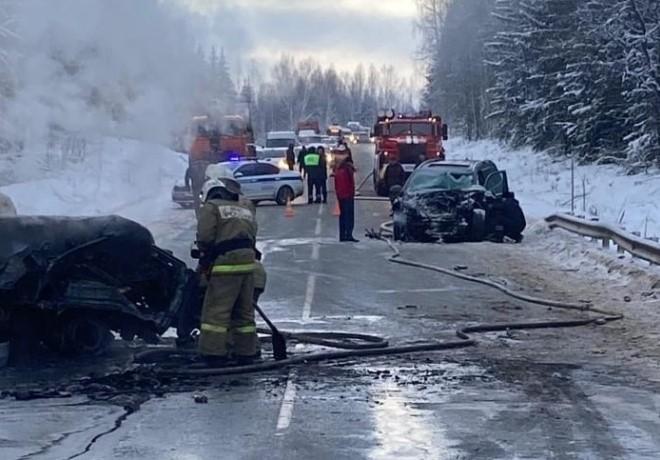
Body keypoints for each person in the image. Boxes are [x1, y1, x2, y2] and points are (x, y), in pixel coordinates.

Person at [196, 178, 259, 365]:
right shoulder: (244, 208)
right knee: (244, 311)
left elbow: (206, 236)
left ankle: (213, 353)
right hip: (248, 263)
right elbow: (253, 235)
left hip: (226, 265)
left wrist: (205, 254)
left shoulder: (212, 207)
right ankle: (247, 352)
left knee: (216, 312)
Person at [334, 152, 358, 242]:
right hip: (348, 196)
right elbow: (350, 183)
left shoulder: (338, 170)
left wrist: (338, 194)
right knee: (349, 216)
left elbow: (336, 184)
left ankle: (342, 235)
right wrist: (352, 193)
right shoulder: (347, 170)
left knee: (342, 216)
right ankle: (349, 234)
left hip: (341, 196)